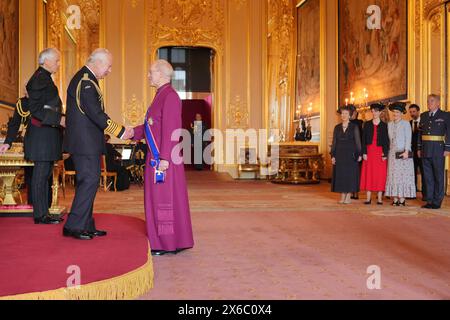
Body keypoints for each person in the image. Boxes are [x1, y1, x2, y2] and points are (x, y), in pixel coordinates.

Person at [63, 49, 133, 240]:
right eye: (108, 66)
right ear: (98, 63)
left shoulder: (87, 79)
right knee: (89, 181)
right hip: (84, 143)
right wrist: (120, 131)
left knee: (90, 182)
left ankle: (85, 224)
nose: (109, 71)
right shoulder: (86, 81)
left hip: (87, 143)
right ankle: (74, 226)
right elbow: (95, 113)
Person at [132, 59, 194, 256]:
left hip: (163, 159)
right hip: (156, 156)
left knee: (163, 200)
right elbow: (152, 126)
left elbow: (171, 130)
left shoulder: (170, 97)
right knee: (158, 199)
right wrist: (130, 132)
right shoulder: (160, 95)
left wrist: (165, 158)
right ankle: (165, 240)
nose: (148, 75)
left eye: (151, 72)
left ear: (161, 74)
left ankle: (166, 243)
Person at [24, 48, 65, 224]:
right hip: (41, 136)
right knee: (40, 175)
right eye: (56, 60)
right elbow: (36, 109)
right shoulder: (40, 78)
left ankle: (44, 212)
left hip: (46, 134)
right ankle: (40, 215)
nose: (58, 63)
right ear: (46, 61)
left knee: (45, 174)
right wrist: (59, 119)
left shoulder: (44, 77)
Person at [418, 94, 450, 209]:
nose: (429, 103)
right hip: (425, 149)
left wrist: (447, 148)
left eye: (432, 101)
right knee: (428, 177)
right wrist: (419, 148)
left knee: (438, 176)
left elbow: (449, 132)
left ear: (438, 103)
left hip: (438, 149)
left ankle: (437, 201)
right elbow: (420, 134)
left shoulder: (445, 115)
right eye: (428, 101)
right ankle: (429, 200)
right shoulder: (424, 115)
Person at [385, 102, 416, 206]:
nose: (395, 114)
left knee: (403, 176)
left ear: (401, 113)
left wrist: (407, 151)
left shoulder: (406, 124)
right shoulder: (389, 124)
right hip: (392, 153)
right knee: (393, 175)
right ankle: (395, 199)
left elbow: (408, 138)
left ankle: (402, 199)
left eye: (397, 112)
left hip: (403, 152)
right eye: (394, 112)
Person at [331, 105, 362, 204]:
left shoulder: (354, 127)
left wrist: (359, 154)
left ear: (350, 115)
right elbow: (334, 142)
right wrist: (333, 155)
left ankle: (348, 196)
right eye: (342, 113)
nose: (343, 115)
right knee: (341, 175)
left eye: (346, 113)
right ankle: (342, 196)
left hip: (351, 155)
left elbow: (358, 142)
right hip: (339, 155)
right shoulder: (337, 127)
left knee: (350, 175)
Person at [360, 103, 389, 205]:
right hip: (369, 151)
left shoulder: (385, 125)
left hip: (380, 152)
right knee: (369, 174)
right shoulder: (367, 124)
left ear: (380, 112)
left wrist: (385, 154)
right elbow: (363, 140)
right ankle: (368, 198)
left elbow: (386, 141)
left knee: (380, 174)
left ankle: (380, 198)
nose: (374, 113)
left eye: (376, 111)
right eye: (372, 111)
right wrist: (364, 152)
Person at [409, 104, 425, 198]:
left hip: (422, 152)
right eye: (410, 112)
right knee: (412, 173)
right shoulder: (408, 123)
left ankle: (425, 194)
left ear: (418, 111)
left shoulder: (424, 122)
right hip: (411, 153)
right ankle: (412, 193)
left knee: (424, 173)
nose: (412, 114)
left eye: (414, 112)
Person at [349, 105, 363, 200]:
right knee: (349, 172)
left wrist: (360, 151)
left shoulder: (360, 123)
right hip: (348, 150)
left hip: (357, 149)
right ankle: (350, 191)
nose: (353, 114)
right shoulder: (347, 122)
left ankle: (356, 192)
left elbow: (361, 137)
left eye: (354, 112)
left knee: (356, 172)